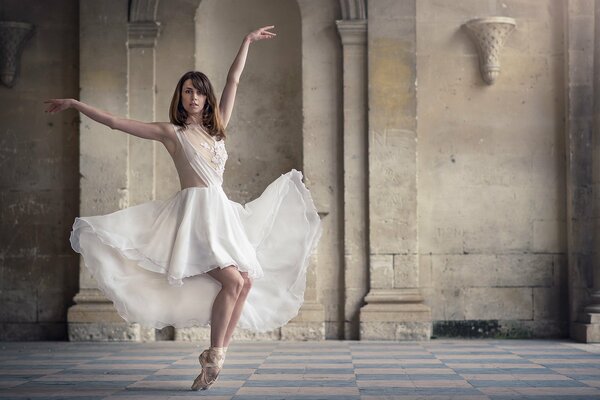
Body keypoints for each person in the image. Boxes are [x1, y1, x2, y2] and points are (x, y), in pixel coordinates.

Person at [45, 26, 322, 391]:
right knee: (235, 280)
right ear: (181, 97)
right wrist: (76, 104)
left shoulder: (217, 130)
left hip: (221, 214)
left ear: (207, 99)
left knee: (247, 281)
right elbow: (116, 122)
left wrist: (246, 42)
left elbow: (233, 78)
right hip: (195, 217)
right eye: (188, 91)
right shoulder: (171, 133)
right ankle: (216, 355)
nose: (194, 97)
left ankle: (214, 353)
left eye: (200, 92)